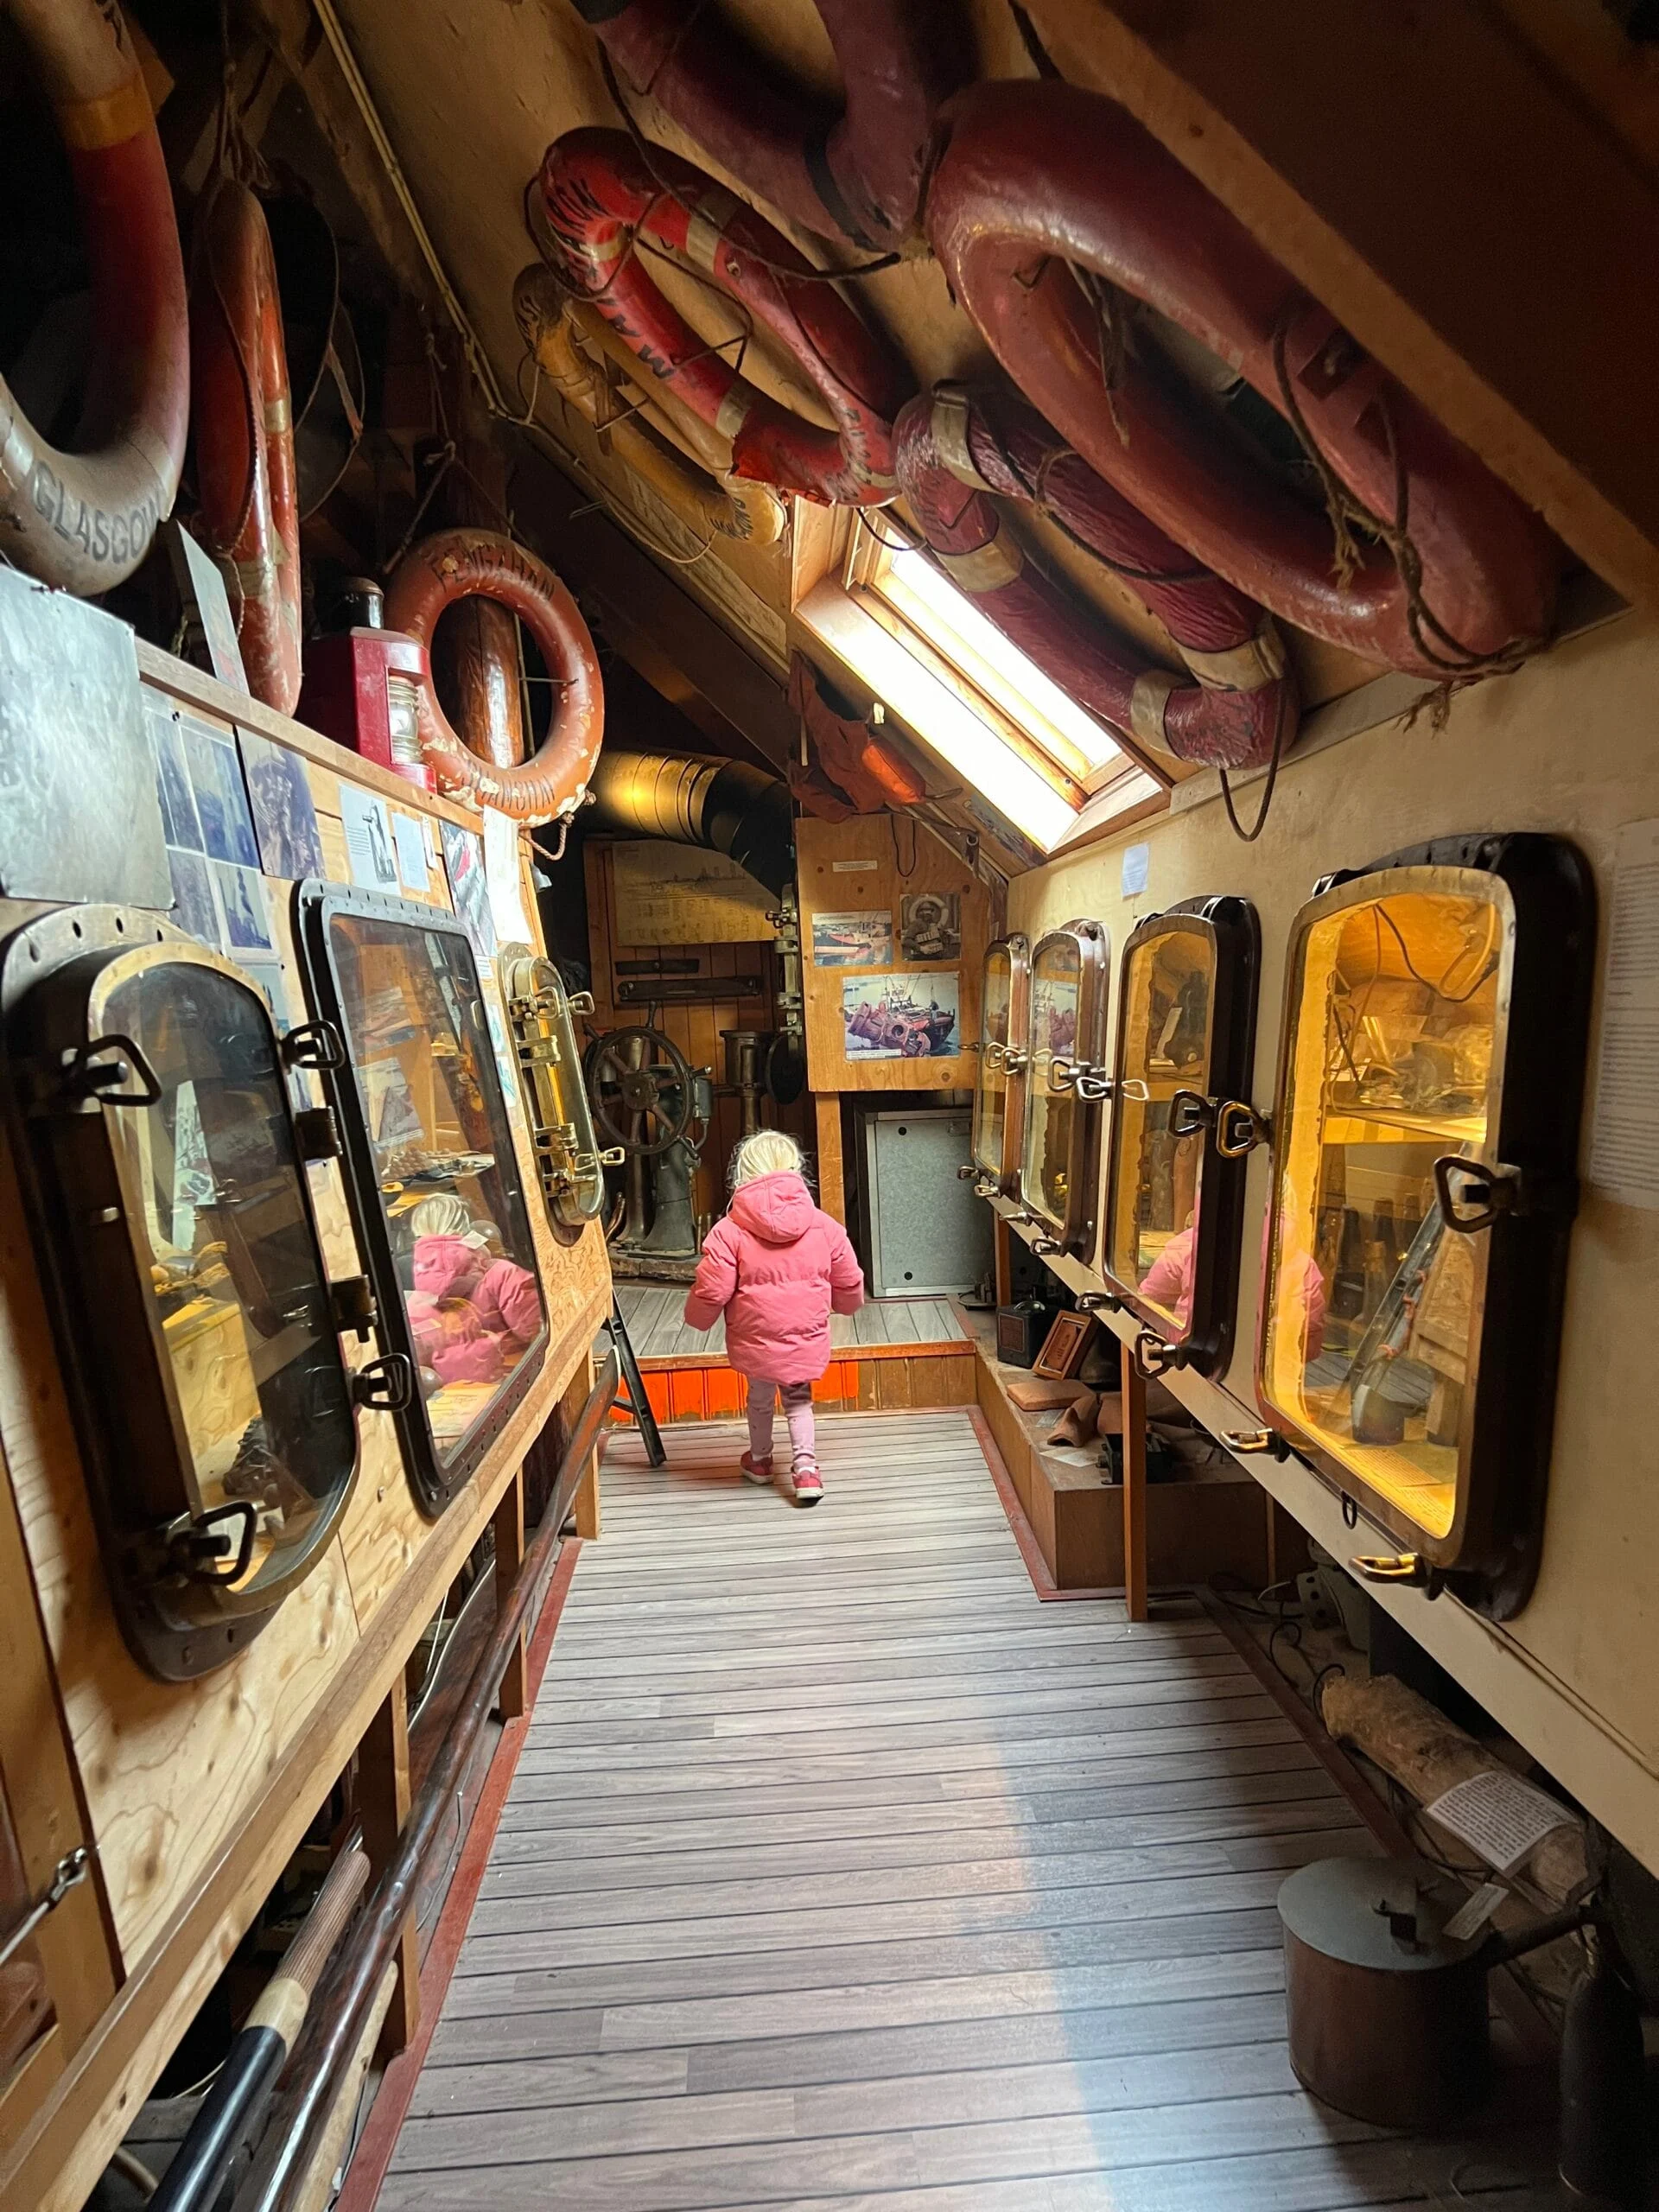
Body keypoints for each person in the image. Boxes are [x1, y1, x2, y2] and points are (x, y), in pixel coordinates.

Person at [683, 1130, 864, 1505]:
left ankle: (761, 1461)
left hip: (756, 1337)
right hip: (804, 1334)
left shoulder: (728, 1230)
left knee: (760, 1396)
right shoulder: (823, 1225)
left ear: (743, 1174)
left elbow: (712, 1289)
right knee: (799, 1399)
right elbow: (848, 1276)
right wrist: (847, 1305)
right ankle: (806, 1470)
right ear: (795, 1169)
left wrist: (698, 1319)